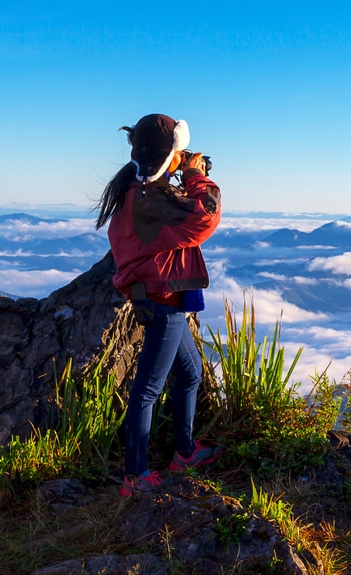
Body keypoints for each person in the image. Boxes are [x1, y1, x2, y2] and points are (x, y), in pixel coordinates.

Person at [95, 113, 223, 497]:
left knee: (190, 373)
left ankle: (184, 451)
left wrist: (179, 168)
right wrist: (197, 175)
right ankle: (135, 477)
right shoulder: (148, 198)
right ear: (167, 155)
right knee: (147, 390)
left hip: (163, 300)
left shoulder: (141, 189)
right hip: (161, 302)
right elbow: (205, 215)